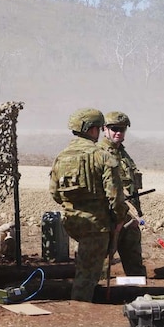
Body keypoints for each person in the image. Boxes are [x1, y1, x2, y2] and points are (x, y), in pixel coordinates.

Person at [49, 108, 128, 302]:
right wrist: (119, 218)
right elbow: (115, 196)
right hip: (96, 226)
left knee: (85, 265)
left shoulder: (61, 157)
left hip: (72, 222)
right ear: (93, 129)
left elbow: (55, 194)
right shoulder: (102, 156)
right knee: (87, 275)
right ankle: (80, 307)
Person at [99, 111, 147, 277]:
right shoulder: (98, 154)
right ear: (104, 129)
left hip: (128, 219)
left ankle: (139, 298)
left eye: (122, 129)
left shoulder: (124, 156)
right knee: (101, 268)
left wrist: (136, 214)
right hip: (108, 219)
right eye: (114, 128)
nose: (118, 132)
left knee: (135, 267)